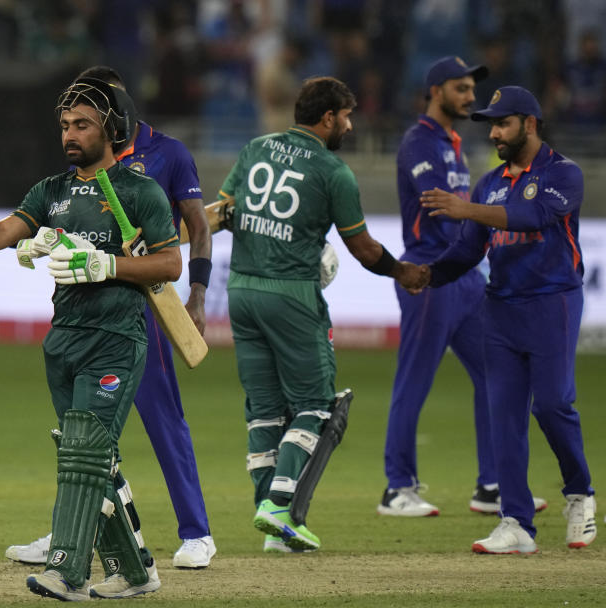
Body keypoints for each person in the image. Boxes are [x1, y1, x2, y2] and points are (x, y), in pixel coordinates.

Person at [0, 76, 180, 600]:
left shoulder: (139, 190)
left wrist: (107, 263)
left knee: (86, 452)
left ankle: (67, 570)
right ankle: (136, 574)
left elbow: (169, 262)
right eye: (65, 124)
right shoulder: (53, 191)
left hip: (116, 335)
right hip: (64, 337)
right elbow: (4, 231)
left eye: (82, 124)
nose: (70, 133)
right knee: (86, 457)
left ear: (110, 129)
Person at [4, 65, 217, 569]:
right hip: (86, 310)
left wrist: (199, 296)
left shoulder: (167, 154)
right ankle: (69, 530)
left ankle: (196, 533)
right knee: (80, 433)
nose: (80, 124)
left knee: (164, 418)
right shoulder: (82, 154)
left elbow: (199, 228)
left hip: (144, 304)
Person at [218, 76, 427, 552]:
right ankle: (278, 508)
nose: (350, 126)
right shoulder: (334, 173)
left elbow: (222, 210)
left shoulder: (255, 149)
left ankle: (273, 523)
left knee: (265, 412)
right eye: (347, 116)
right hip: (292, 296)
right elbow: (364, 249)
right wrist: (403, 273)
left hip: (241, 291)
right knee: (315, 405)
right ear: (328, 116)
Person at [415, 85, 597, 554]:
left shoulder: (564, 173)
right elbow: (468, 250)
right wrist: (426, 275)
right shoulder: (488, 183)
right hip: (500, 308)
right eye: (491, 124)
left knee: (553, 405)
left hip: (552, 301)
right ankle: (515, 522)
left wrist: (465, 208)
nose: (494, 132)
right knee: (505, 415)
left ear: (529, 124)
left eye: (503, 123)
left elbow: (533, 216)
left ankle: (580, 494)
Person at [379, 56, 546, 517]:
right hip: (429, 275)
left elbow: (463, 209)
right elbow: (443, 207)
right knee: (414, 380)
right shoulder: (419, 142)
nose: (471, 97)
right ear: (436, 91)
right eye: (461, 88)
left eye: (472, 89)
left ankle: (492, 484)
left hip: (466, 276)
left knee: (498, 376)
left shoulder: (452, 143)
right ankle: (397, 488)